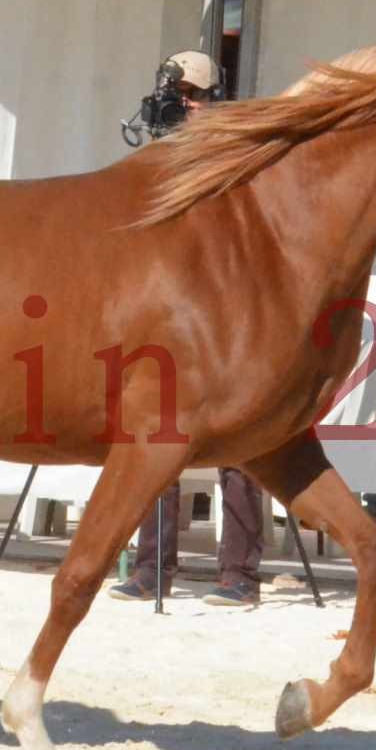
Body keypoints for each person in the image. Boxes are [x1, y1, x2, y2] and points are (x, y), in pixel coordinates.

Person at [106, 49, 269, 608]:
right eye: (180, 98)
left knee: (242, 444)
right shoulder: (159, 154)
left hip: (230, 318)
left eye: (193, 98)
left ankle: (239, 575)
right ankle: (152, 568)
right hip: (171, 317)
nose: (185, 108)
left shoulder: (234, 151)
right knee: (154, 435)